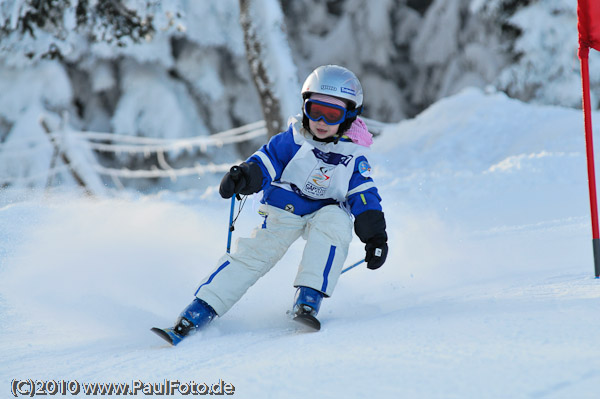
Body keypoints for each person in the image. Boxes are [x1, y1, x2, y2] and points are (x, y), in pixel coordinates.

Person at [152, 65, 388, 345]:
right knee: (254, 255)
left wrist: (375, 236)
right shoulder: (294, 139)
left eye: (332, 114)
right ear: (305, 108)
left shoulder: (353, 154)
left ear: (349, 116)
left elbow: (363, 194)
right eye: (315, 110)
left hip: (327, 209)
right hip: (285, 210)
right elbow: (266, 162)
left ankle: (308, 299)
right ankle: (198, 311)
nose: (321, 120)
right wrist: (244, 176)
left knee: (335, 224)